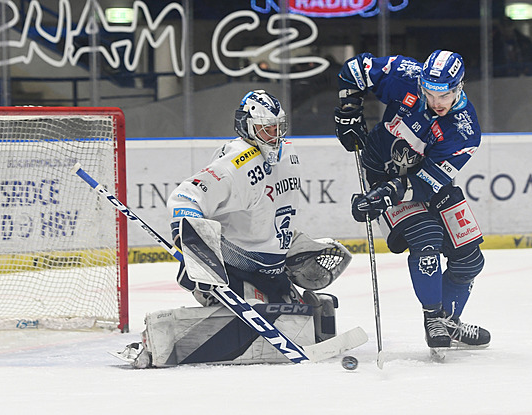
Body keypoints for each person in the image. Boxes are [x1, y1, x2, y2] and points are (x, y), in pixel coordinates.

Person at [122, 90, 352, 368]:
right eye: (266, 129)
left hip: (271, 268)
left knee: (300, 319)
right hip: (237, 266)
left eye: (278, 127)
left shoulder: (288, 153)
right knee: (253, 323)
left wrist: (292, 246)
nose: (274, 136)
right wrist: (197, 250)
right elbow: (185, 198)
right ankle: (159, 340)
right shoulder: (235, 164)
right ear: (246, 126)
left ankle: (273, 292)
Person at [334, 50, 490, 350]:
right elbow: (354, 69)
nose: (436, 102)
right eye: (430, 93)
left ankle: (449, 321)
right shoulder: (406, 74)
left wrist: (389, 194)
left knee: (471, 259)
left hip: (426, 184)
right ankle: (434, 317)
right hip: (382, 173)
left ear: (460, 87)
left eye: (444, 95)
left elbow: (426, 183)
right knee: (427, 237)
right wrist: (350, 107)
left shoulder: (465, 131)